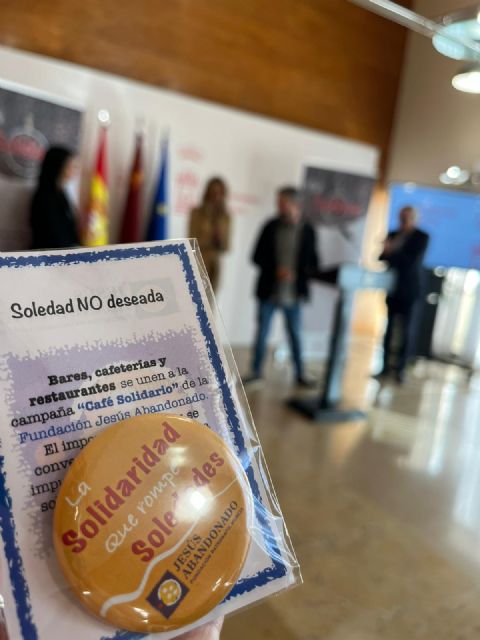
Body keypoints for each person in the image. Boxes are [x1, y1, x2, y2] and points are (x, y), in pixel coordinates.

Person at [243, 186, 319, 387]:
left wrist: (297, 274)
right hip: (269, 291)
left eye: (282, 203)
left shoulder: (308, 230)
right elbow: (256, 256)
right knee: (262, 333)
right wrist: (275, 270)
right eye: (278, 203)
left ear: (294, 204)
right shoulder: (270, 226)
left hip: (293, 294)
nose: (279, 207)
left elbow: (314, 263)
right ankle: (256, 372)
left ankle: (300, 373)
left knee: (295, 334)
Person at [379, 205, 429, 383]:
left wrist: (392, 251)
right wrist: (388, 251)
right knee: (389, 329)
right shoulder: (393, 235)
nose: (403, 221)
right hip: (393, 289)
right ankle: (384, 367)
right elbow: (382, 257)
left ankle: (400, 370)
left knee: (406, 331)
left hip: (410, 290)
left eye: (407, 218)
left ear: (414, 219)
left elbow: (410, 261)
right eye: (401, 217)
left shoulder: (421, 237)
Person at [30, 146, 80, 249]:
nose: (75, 171)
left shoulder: (61, 194)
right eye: (71, 166)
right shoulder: (45, 198)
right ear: (58, 167)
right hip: (47, 255)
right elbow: (55, 236)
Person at [189, 177, 231, 292]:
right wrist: (209, 237)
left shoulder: (225, 216)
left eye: (220, 193)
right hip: (198, 262)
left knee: (211, 299)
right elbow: (191, 241)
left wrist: (220, 238)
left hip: (215, 265)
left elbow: (226, 246)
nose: (216, 196)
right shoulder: (197, 213)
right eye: (213, 192)